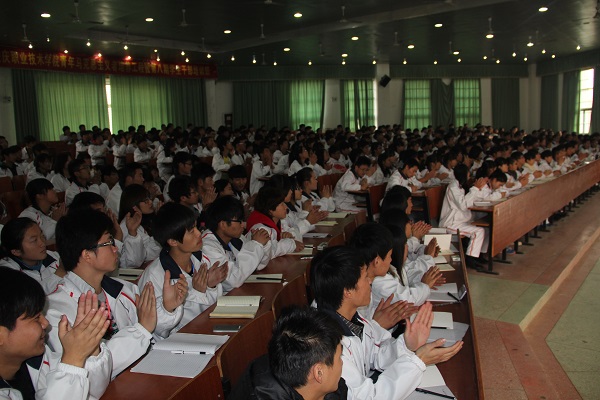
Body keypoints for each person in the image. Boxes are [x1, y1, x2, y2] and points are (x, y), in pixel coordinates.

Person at [46, 209, 185, 379]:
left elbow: (151, 333)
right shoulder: (57, 312)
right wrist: (140, 331)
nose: (115, 249)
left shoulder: (123, 289)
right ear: (87, 255)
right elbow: (90, 370)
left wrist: (167, 308)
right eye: (109, 242)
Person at [310, 246, 463, 400]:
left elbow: (376, 355)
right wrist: (418, 361)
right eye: (365, 277)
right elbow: (369, 397)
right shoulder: (328, 347)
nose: (370, 281)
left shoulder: (351, 318)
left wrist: (407, 345)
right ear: (348, 291)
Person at [0, 267, 112, 400]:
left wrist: (90, 348)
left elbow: (93, 391)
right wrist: (73, 360)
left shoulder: (38, 359)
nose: (45, 323)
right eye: (36, 318)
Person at [137, 203, 225, 338]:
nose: (198, 233)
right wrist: (197, 293)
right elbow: (159, 329)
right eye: (191, 231)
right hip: (174, 342)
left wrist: (211, 287)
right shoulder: (154, 277)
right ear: (173, 241)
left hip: (204, 330)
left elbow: (211, 308)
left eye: (196, 227)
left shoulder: (200, 259)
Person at [230, 306, 347, 400]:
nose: (342, 363)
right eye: (339, 357)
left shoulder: (291, 360)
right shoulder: (264, 394)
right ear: (319, 373)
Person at [202, 196, 270, 293]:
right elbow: (232, 281)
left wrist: (262, 244)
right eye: (239, 221)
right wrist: (256, 245)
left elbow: (259, 265)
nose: (243, 225)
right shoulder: (207, 246)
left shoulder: (236, 238)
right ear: (223, 224)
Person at [439, 164, 488, 269]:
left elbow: (473, 199)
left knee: (483, 227)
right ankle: (470, 259)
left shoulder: (461, 186)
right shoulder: (453, 187)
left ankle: (477, 256)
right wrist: (475, 188)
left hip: (461, 221)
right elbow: (463, 204)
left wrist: (478, 189)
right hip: (451, 223)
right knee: (478, 232)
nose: (469, 176)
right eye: (468, 173)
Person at [0, 218, 64, 294]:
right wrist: (59, 273)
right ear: (16, 251)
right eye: (34, 240)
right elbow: (28, 297)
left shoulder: (52, 256)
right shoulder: (7, 272)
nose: (43, 243)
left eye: (42, 236)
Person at [246, 187, 303, 270]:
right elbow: (267, 253)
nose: (286, 207)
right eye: (281, 204)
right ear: (270, 209)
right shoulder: (261, 228)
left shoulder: (278, 221)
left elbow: (298, 240)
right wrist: (290, 243)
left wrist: (289, 238)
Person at [118, 184, 161, 269]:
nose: (150, 202)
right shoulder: (126, 226)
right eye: (146, 201)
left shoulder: (139, 223)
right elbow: (136, 262)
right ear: (134, 205)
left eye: (149, 199)